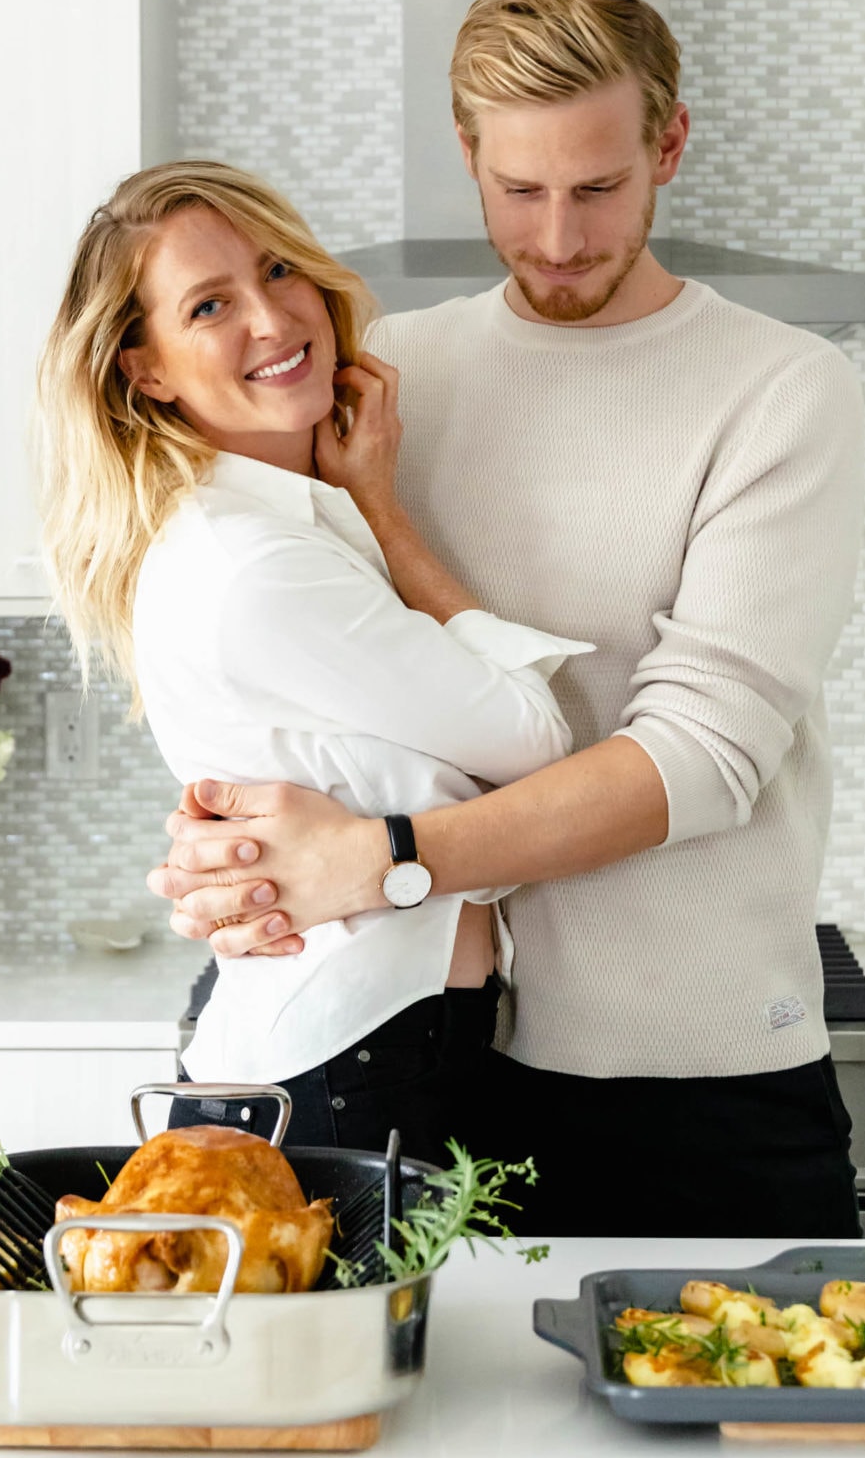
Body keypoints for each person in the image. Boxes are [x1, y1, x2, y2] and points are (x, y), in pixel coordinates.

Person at [151, 0, 865, 1237]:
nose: (557, 238)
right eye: (517, 189)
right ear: (467, 152)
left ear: (670, 143)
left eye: (599, 188)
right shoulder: (382, 379)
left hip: (688, 1082)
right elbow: (297, 659)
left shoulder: (779, 391)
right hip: (413, 1057)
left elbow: (701, 761)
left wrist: (382, 863)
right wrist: (228, 840)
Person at [35, 158, 587, 1165]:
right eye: (209, 305)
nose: (274, 318)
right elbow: (539, 744)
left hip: (372, 1054)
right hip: (349, 1070)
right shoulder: (255, 561)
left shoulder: (274, 524)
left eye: (279, 269)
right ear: (145, 366)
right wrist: (381, 499)